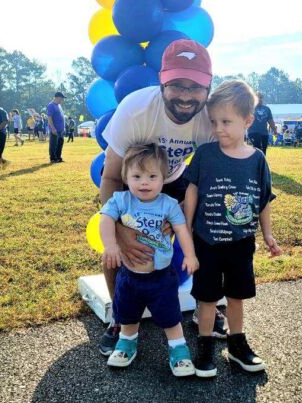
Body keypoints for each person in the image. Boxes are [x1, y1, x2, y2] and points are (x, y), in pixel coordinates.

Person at [99, 39, 226, 357]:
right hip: (136, 178)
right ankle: (120, 316)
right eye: (177, 85)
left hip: (177, 178)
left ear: (208, 88)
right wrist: (121, 228)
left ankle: (205, 306)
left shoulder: (212, 118)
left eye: (195, 87)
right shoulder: (136, 108)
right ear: (162, 81)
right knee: (118, 246)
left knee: (210, 233)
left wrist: (185, 211)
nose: (185, 95)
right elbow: (112, 176)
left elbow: (217, 179)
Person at [184, 80, 282, 377]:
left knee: (237, 295)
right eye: (214, 122)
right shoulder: (205, 154)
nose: (218, 128)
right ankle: (204, 345)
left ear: (248, 121)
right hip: (207, 241)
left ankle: (237, 344)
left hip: (241, 243)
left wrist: (267, 234)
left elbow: (263, 200)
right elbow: (192, 191)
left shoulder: (258, 160)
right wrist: (185, 228)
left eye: (226, 121)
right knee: (208, 296)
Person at [101, 143, 198, 376]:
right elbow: (105, 219)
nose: (144, 182)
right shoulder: (121, 200)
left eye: (152, 176)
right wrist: (111, 245)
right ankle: (126, 342)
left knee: (170, 315)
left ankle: (178, 349)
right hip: (129, 275)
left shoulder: (169, 204)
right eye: (137, 176)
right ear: (125, 176)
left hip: (161, 277)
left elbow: (182, 229)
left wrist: (190, 254)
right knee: (127, 313)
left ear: (164, 178)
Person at [47, 91, 66, 163]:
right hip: (55, 129)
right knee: (53, 144)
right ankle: (53, 158)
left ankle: (58, 157)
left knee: (60, 143)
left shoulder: (59, 105)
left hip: (61, 130)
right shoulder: (51, 105)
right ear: (57, 98)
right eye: (61, 98)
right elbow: (49, 117)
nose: (62, 100)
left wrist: (63, 128)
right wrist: (53, 128)